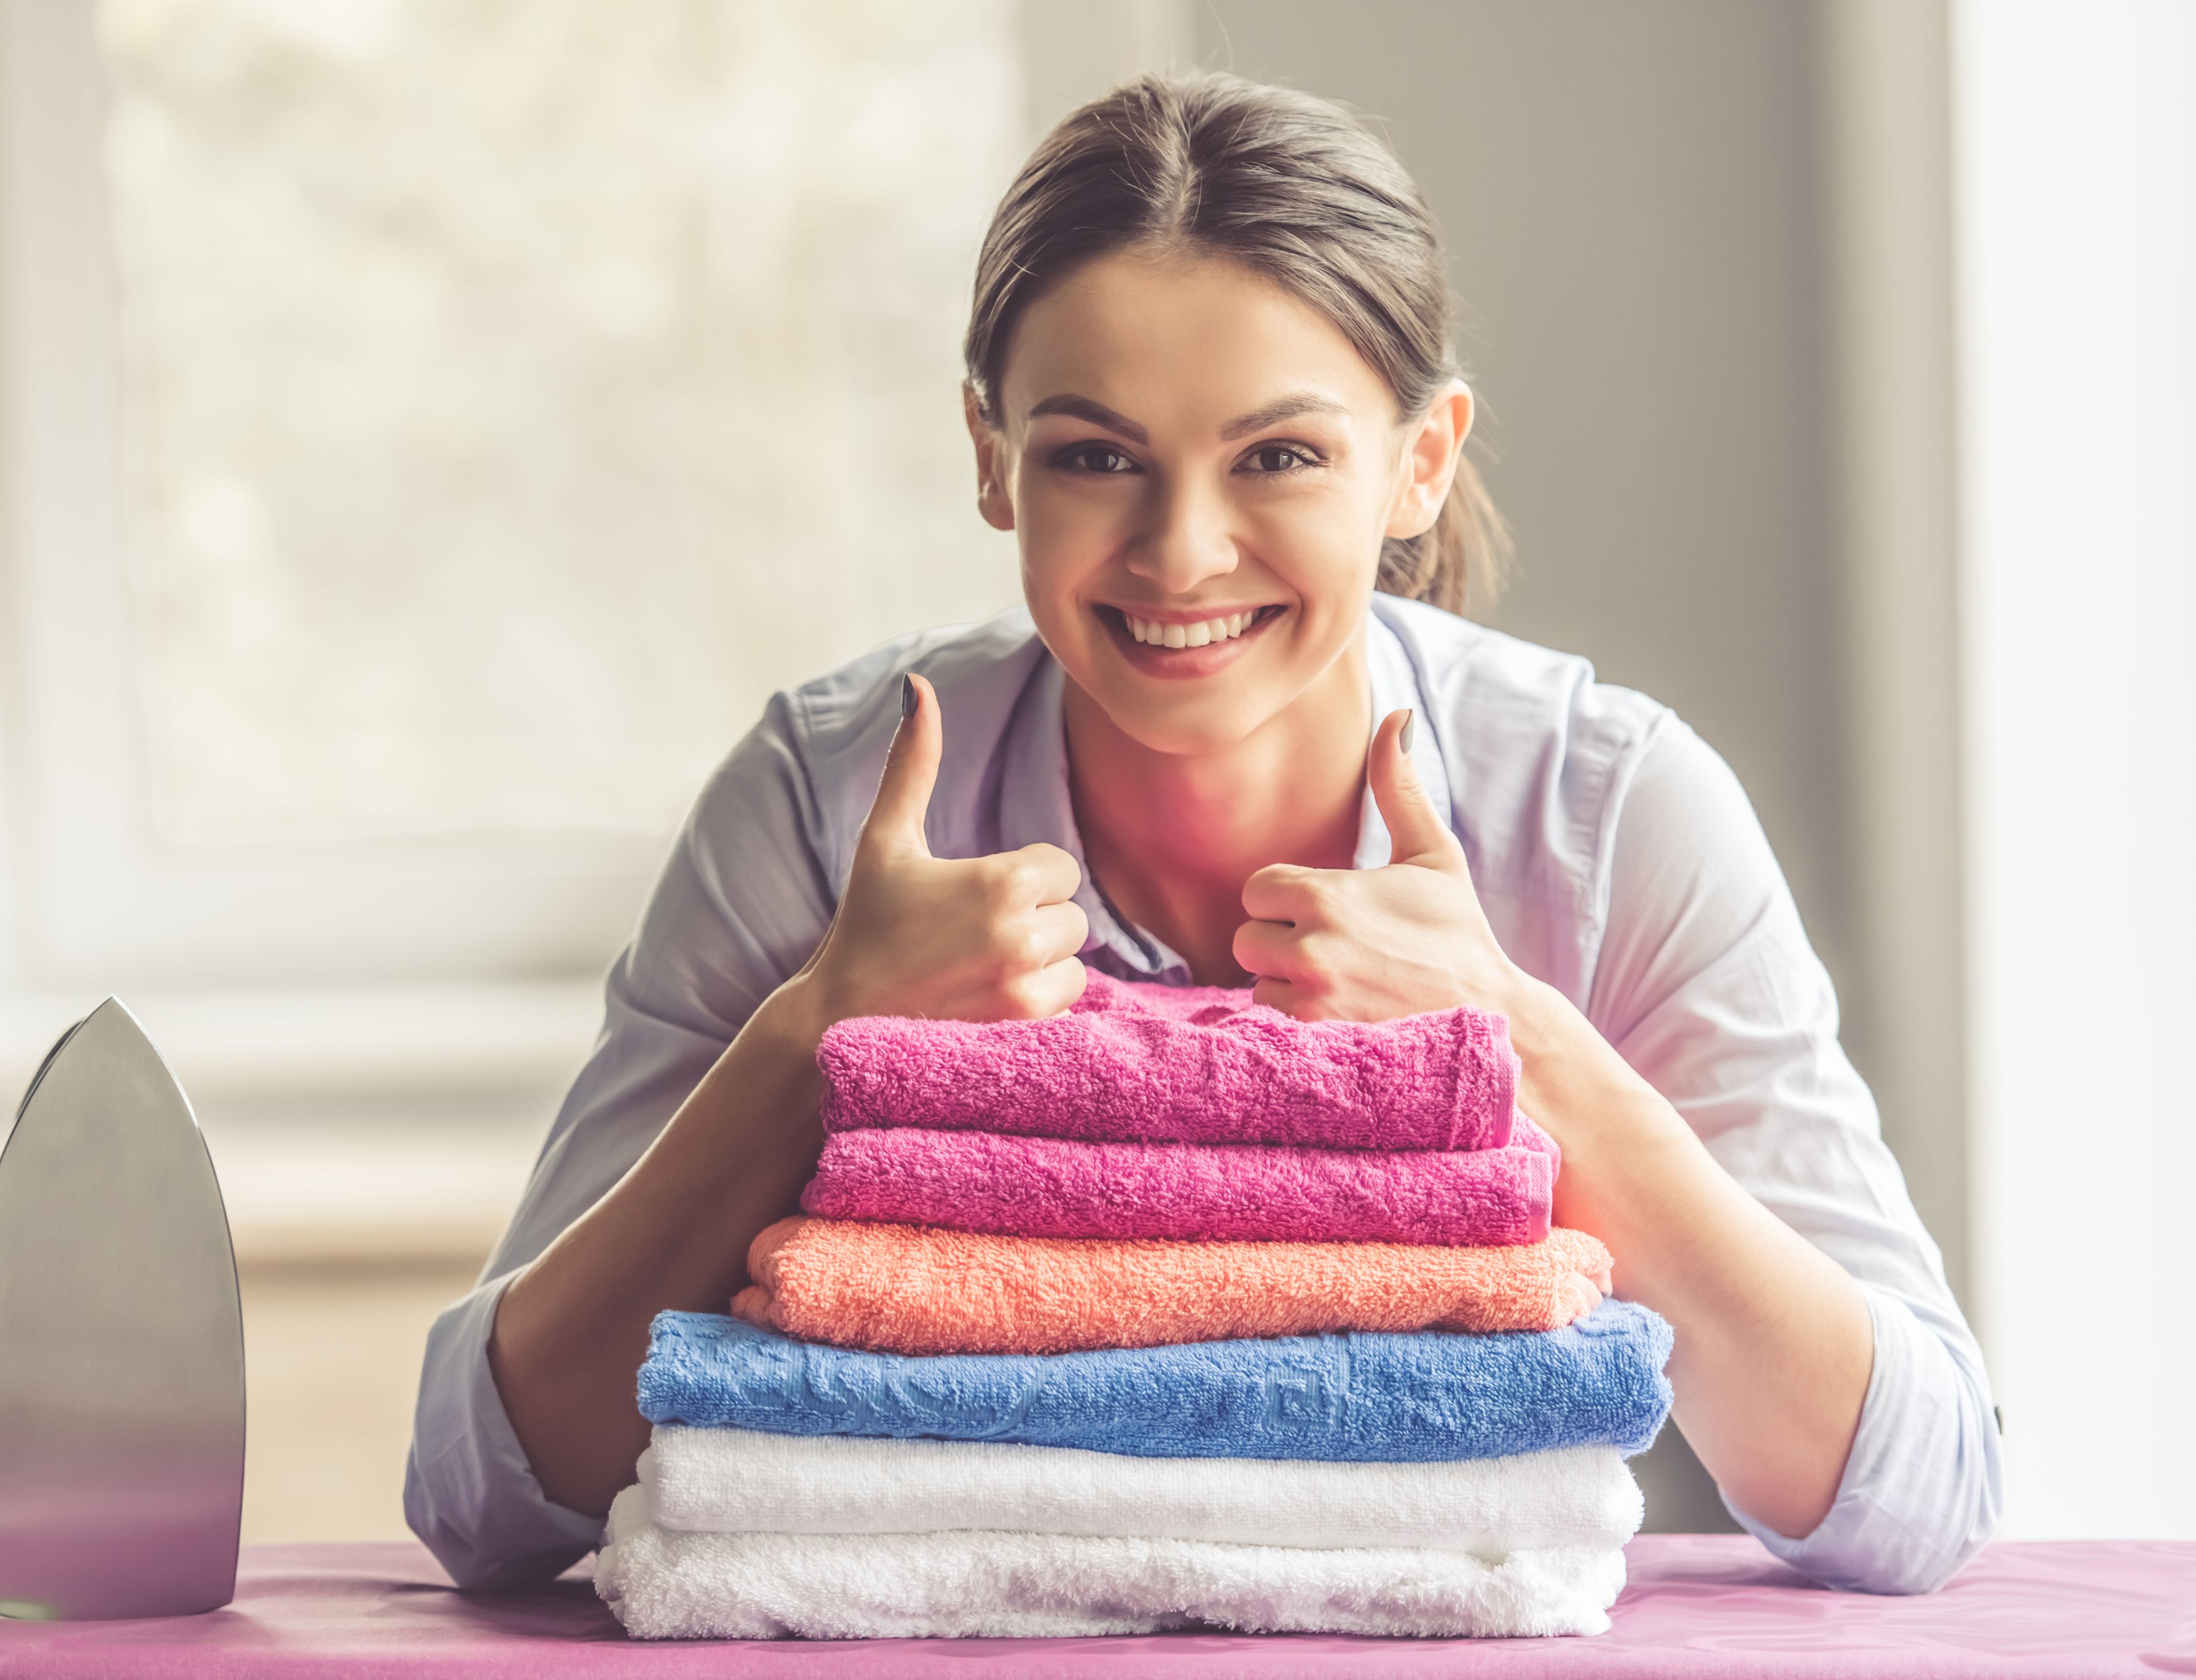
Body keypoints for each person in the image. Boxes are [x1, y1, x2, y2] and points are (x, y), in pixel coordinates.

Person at [405, 72, 1999, 1598]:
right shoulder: (827, 805)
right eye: (1095, 456)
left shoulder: (1605, 814)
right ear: (989, 459)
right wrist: (813, 1038)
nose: (1181, 551)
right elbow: (481, 1493)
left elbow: (1916, 1490)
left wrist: (1522, 1046)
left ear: (1419, 465)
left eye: (1281, 456)